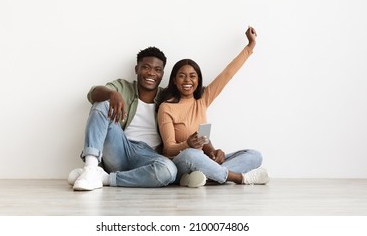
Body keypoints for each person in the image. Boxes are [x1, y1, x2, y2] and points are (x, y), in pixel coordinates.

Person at [157, 26, 269, 188]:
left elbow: (228, 74)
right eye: (182, 76)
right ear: (174, 80)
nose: (187, 80)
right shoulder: (166, 107)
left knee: (254, 155)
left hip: (202, 159)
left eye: (192, 76)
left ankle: (203, 177)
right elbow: (168, 149)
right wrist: (187, 144)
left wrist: (213, 152)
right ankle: (240, 178)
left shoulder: (202, 99)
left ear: (198, 79)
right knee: (191, 154)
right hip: (181, 162)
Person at [67, 46, 177, 191]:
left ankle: (102, 178)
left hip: (148, 156)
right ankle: (91, 167)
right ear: (136, 69)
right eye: (146, 67)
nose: (151, 73)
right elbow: (93, 93)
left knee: (168, 171)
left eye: (157, 70)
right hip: (120, 148)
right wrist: (112, 94)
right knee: (102, 104)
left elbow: (197, 99)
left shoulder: (167, 98)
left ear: (162, 74)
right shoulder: (123, 87)